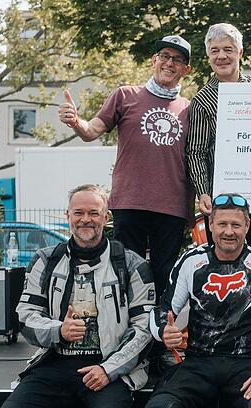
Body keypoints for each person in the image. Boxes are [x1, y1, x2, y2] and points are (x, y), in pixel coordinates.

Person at [0, 185, 155, 408]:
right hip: (54, 362)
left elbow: (144, 329)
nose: (85, 219)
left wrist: (108, 369)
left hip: (109, 365)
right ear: (67, 215)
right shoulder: (45, 260)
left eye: (94, 212)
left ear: (106, 217)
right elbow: (25, 317)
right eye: (78, 212)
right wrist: (59, 330)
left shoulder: (132, 264)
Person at [58, 35, 194, 301]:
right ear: (153, 60)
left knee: (164, 275)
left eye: (177, 60)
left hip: (172, 207)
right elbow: (91, 131)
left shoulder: (189, 108)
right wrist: (75, 121)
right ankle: (125, 336)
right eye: (164, 56)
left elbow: (196, 157)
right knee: (124, 274)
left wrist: (191, 208)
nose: (169, 63)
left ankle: (158, 339)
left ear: (186, 70)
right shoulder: (125, 95)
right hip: (130, 202)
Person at [141, 192, 251, 408]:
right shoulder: (190, 260)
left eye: (236, 225)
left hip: (248, 363)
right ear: (210, 224)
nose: (228, 232)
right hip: (198, 362)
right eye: (222, 224)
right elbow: (163, 309)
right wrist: (164, 330)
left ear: (247, 226)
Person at [186, 23, 251, 255]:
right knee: (225, 264)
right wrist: (203, 191)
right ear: (208, 56)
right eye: (215, 50)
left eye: (228, 49)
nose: (222, 56)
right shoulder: (202, 101)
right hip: (224, 203)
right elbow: (196, 152)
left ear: (240, 53)